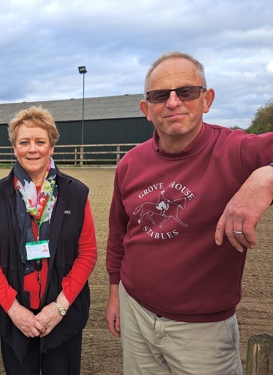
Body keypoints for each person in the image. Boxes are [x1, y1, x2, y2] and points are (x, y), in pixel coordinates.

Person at [104, 51, 273, 374]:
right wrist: (115, 295)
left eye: (185, 92)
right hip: (135, 309)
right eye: (159, 96)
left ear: (206, 100)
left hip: (202, 331)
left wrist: (268, 176)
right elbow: (118, 236)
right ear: (146, 110)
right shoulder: (130, 164)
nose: (172, 103)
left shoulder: (236, 151)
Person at [0, 105, 97, 374]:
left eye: (40, 141)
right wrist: (14, 310)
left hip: (63, 314)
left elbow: (87, 253)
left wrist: (59, 308)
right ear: (14, 148)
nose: (33, 149)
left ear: (51, 146)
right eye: (24, 142)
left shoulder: (76, 193)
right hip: (16, 316)